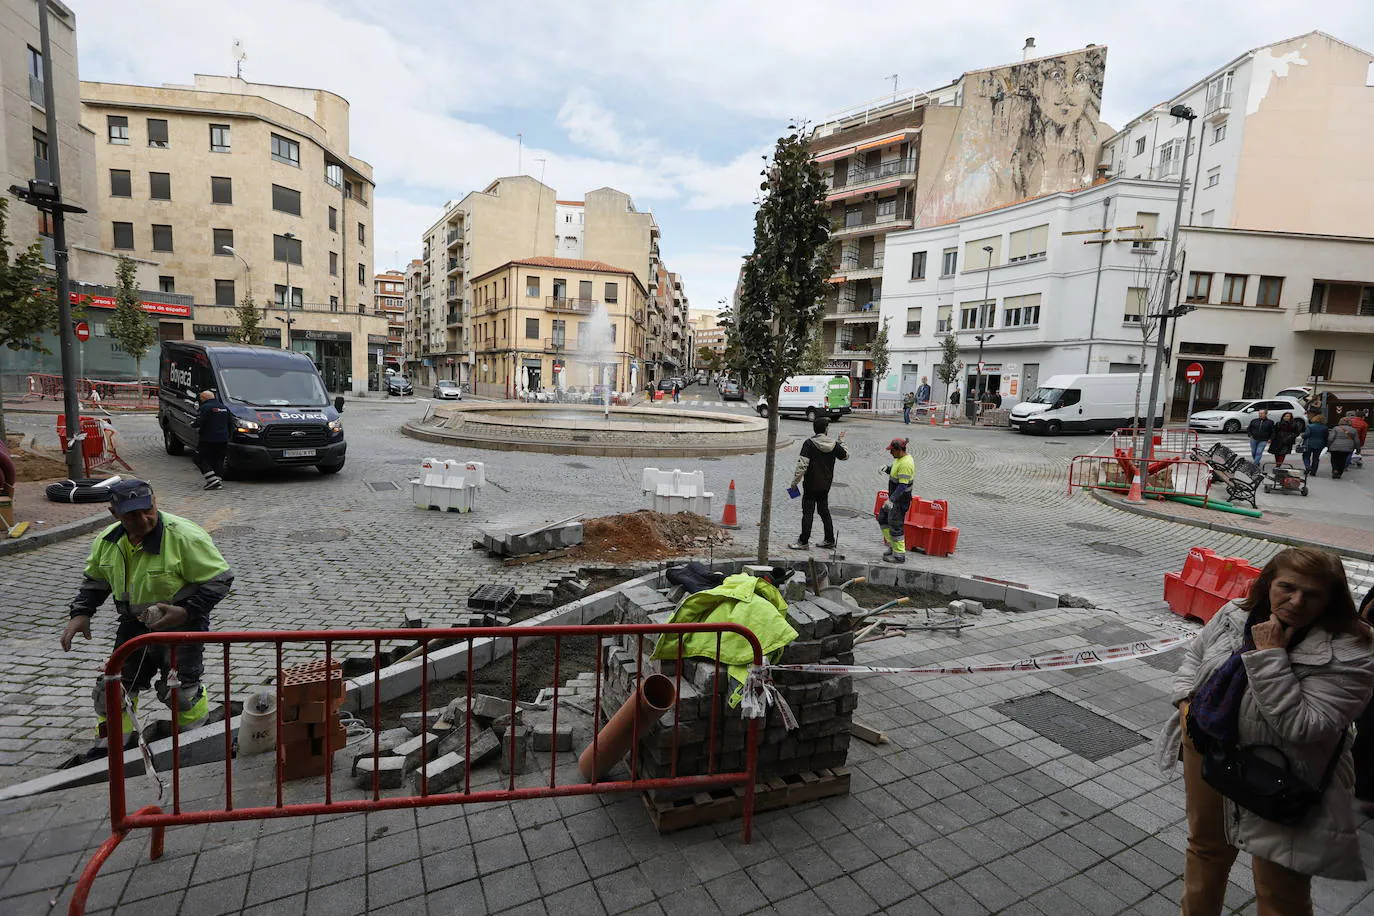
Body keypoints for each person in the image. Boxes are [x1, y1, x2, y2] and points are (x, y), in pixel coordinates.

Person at [1157, 547, 1374, 914]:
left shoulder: (1353, 650)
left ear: (1332, 598)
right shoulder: (1236, 613)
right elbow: (1194, 656)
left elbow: (1302, 726)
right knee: (1205, 850)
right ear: (1268, 583)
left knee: (1279, 886)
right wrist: (1184, 702)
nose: (1296, 601)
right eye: (1287, 587)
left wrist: (1270, 655)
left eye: (1313, 593)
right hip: (1208, 747)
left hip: (1286, 773)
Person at [60, 479, 234, 762]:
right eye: (131, 515)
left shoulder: (185, 537)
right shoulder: (108, 542)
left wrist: (187, 611)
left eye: (147, 509)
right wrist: (81, 613)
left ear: (155, 502)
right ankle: (115, 747)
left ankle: (196, 740)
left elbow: (220, 580)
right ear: (114, 513)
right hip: (133, 624)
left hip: (181, 625)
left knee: (181, 691)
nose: (143, 519)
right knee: (114, 687)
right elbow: (95, 581)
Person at [788, 418, 848, 551]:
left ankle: (803, 541)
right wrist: (841, 441)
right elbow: (845, 456)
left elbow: (802, 465)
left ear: (814, 429)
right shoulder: (834, 445)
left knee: (808, 513)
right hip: (825, 485)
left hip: (810, 485)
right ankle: (829, 539)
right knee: (824, 511)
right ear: (826, 429)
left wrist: (794, 482)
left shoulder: (809, 444)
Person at [876, 438, 915, 564]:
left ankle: (899, 555)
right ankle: (893, 546)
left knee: (896, 526)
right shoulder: (899, 460)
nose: (890, 453)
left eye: (892, 450)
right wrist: (886, 469)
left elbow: (903, 486)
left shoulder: (906, 463)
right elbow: (895, 473)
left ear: (899, 450)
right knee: (883, 518)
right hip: (894, 499)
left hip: (899, 501)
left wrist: (891, 500)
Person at [191, 390, 232, 490]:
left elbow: (200, 421)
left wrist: (193, 424)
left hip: (208, 439)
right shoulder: (224, 408)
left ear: (203, 398)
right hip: (223, 439)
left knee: (199, 458)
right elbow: (230, 424)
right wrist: (227, 437)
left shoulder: (205, 407)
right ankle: (217, 480)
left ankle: (212, 480)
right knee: (218, 459)